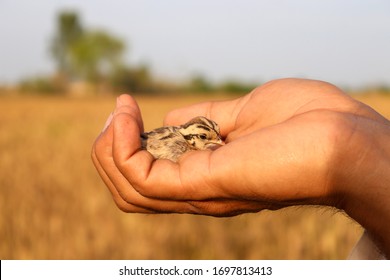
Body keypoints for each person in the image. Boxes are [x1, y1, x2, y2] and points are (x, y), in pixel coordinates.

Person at [91, 78, 390, 259]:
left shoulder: (188, 139)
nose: (217, 142)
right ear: (193, 137)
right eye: (208, 138)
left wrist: (356, 156)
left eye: (216, 137)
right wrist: (357, 150)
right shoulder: (178, 144)